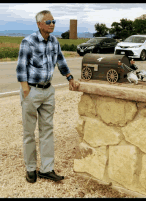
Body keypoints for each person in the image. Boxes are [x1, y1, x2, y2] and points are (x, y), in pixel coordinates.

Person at [16, 10, 80, 183]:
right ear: (39, 24)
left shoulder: (54, 41)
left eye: (53, 21)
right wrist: (25, 89)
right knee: (29, 133)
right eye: (48, 21)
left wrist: (70, 78)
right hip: (32, 91)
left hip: (48, 91)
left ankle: (46, 169)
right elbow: (21, 67)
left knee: (47, 131)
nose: (52, 24)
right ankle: (30, 169)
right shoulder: (28, 42)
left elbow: (61, 61)